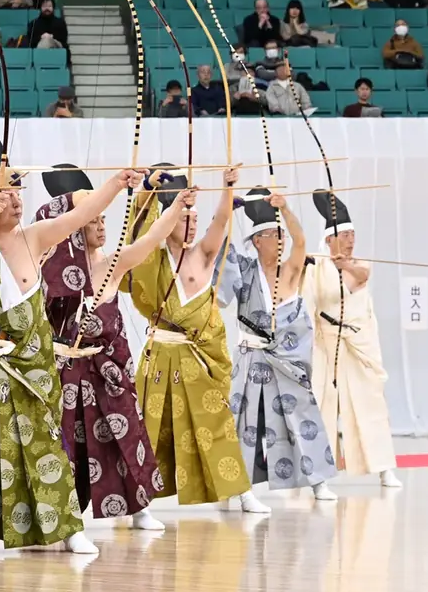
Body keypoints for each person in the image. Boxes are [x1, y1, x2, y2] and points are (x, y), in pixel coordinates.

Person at [0, 125, 144, 554]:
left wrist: (116, 183)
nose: (19, 200)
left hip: (27, 367)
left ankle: (66, 528)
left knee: (42, 445)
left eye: (20, 192)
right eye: (10, 192)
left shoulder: (34, 238)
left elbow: (78, 215)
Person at [34, 165, 178, 531]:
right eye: (93, 221)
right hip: (66, 371)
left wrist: (178, 208)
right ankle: (64, 521)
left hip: (106, 370)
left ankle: (140, 505)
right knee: (67, 447)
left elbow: (147, 243)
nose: (101, 226)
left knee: (125, 435)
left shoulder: (112, 265)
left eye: (103, 220)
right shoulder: (48, 265)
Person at [123, 167, 271, 514]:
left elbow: (220, 223)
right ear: (168, 221)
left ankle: (241, 492)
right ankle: (140, 503)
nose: (190, 225)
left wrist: (226, 187)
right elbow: (141, 231)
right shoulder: (153, 259)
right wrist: (149, 191)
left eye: (194, 218)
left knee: (217, 424)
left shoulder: (204, 254)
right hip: (160, 356)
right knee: (151, 429)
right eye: (182, 219)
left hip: (199, 359)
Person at [223, 189, 338, 501]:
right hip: (252, 358)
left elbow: (301, 242)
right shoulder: (245, 271)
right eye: (274, 234)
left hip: (286, 361)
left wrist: (285, 209)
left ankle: (319, 482)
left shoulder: (290, 270)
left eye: (281, 234)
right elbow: (221, 265)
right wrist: (225, 211)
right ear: (257, 241)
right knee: (247, 424)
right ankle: (242, 489)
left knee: (302, 416)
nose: (281, 239)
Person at [303, 192, 401, 489]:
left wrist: (344, 264)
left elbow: (361, 275)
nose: (350, 239)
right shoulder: (316, 265)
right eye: (344, 234)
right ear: (329, 239)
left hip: (355, 344)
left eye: (352, 233)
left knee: (369, 405)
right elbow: (309, 301)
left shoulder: (359, 263)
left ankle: (384, 469)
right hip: (326, 344)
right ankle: (319, 475)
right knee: (322, 407)